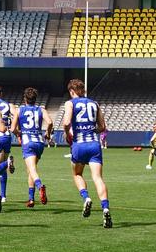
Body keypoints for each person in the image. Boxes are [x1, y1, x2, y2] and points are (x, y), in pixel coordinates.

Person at [62, 79, 112, 229]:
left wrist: (67, 135)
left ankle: (86, 198)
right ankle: (105, 208)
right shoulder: (95, 104)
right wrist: (91, 130)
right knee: (97, 177)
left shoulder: (70, 103)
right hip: (94, 145)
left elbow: (65, 123)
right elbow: (102, 127)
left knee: (77, 174)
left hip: (79, 144)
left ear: (71, 91)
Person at [11, 87, 53, 208]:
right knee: (31, 169)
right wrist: (48, 134)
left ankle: (40, 186)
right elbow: (49, 122)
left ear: (24, 98)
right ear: (35, 99)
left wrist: (19, 134)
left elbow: (13, 129)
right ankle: (31, 199)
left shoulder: (20, 110)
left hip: (28, 142)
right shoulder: (41, 109)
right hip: (39, 142)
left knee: (32, 170)